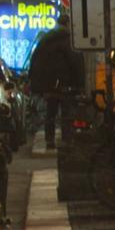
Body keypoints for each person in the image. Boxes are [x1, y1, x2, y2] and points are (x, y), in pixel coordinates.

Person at [27, 13, 81, 150]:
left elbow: (36, 62)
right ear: (68, 24)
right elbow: (75, 63)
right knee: (66, 113)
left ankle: (49, 140)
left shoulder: (46, 40)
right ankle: (66, 139)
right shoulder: (70, 41)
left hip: (49, 86)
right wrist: (79, 84)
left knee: (50, 113)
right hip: (65, 85)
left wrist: (36, 84)